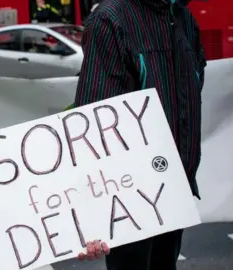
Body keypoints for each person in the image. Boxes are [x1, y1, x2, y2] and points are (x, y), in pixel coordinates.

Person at [73, 0, 206, 269]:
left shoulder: (183, 17)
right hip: (130, 197)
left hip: (174, 188)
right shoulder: (111, 20)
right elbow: (94, 121)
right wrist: (92, 213)